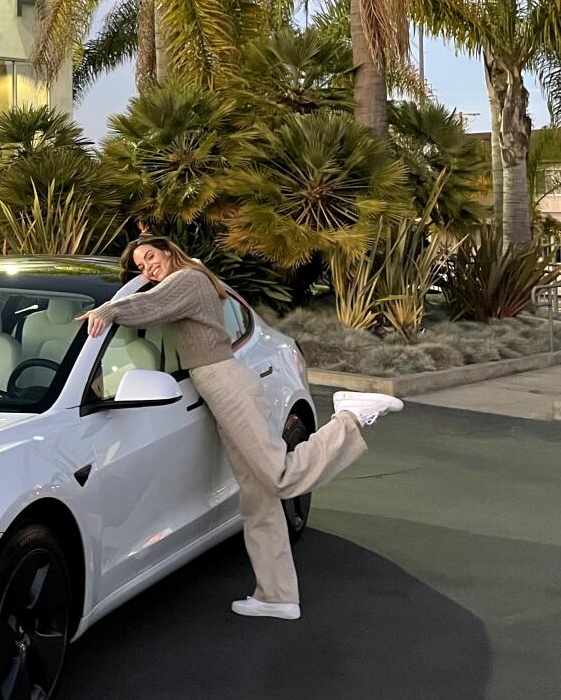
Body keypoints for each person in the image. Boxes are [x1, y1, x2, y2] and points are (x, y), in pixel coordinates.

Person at [76, 236, 402, 621]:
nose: (147, 267)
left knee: (277, 476)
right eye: (140, 265)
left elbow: (150, 305)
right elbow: (154, 300)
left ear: (168, 251)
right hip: (217, 386)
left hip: (227, 383)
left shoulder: (188, 279)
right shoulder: (186, 281)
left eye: (150, 257)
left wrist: (109, 310)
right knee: (258, 496)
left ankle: (349, 418)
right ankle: (277, 595)